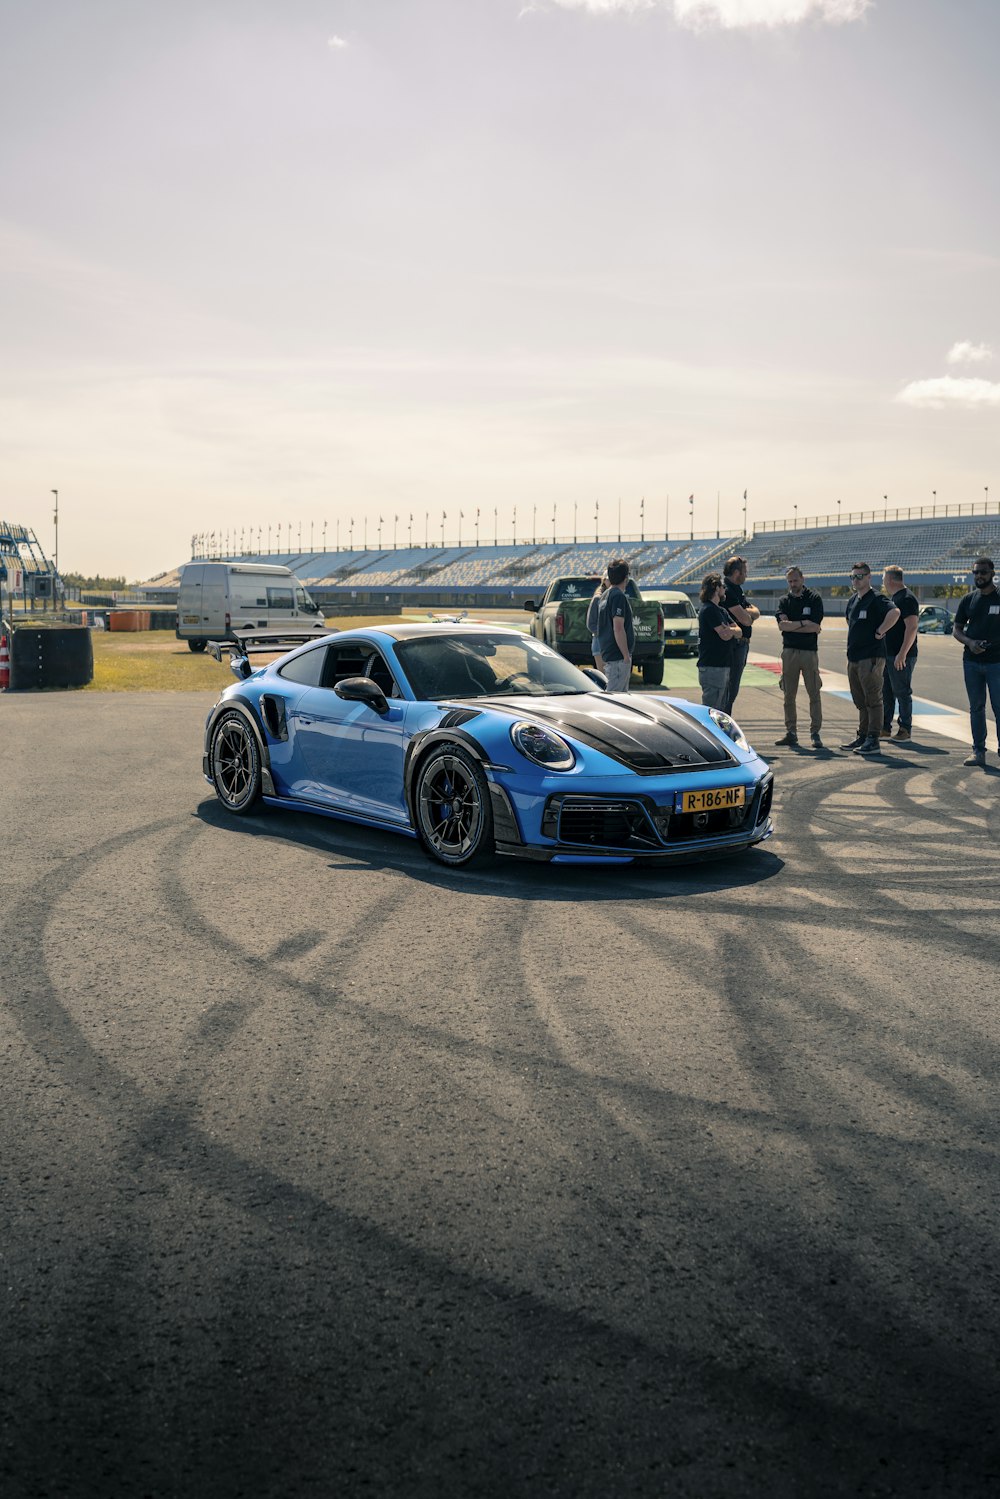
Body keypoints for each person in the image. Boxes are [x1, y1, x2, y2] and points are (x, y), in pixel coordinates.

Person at [842, 562, 899, 755]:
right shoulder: (852, 600)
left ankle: (873, 739)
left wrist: (880, 631)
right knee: (860, 699)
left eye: (859, 576)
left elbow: (895, 612)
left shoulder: (876, 598)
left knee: (873, 699)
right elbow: (851, 623)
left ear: (869, 577)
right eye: (853, 577)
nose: (855, 580)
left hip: (871, 658)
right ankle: (863, 735)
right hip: (854, 658)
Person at [952, 556, 1000, 768]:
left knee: (999, 708)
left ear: (992, 573)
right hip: (971, 661)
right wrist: (970, 643)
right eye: (976, 572)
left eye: (983, 572)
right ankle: (978, 751)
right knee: (976, 707)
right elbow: (957, 629)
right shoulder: (968, 599)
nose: (979, 576)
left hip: (997, 663)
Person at [774, 566, 824, 748]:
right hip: (789, 653)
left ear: (802, 579)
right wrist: (803, 622)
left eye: (795, 580)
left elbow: (816, 626)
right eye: (790, 581)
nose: (793, 584)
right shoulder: (784, 601)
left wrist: (793, 625)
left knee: (814, 693)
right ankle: (791, 732)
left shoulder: (814, 599)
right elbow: (783, 626)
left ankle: (815, 733)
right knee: (789, 694)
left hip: (809, 652)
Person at [880, 566, 920, 742]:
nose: (882, 582)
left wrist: (902, 653)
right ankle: (885, 728)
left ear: (890, 580)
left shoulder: (907, 598)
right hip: (890, 654)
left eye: (883, 578)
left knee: (902, 691)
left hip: (901, 655)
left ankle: (905, 729)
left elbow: (912, 627)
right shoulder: (896, 598)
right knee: (887, 692)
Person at [697, 572, 742, 709]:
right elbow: (724, 635)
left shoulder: (721, 611)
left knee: (720, 709)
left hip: (722, 667)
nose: (725, 589)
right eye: (723, 586)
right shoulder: (709, 610)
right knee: (712, 711)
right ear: (716, 588)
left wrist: (731, 630)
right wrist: (731, 631)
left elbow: (739, 632)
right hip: (713, 667)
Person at [722, 555, 760, 713]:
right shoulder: (728, 590)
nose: (746, 575)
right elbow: (746, 620)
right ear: (737, 572)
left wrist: (747, 612)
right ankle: (723, 725)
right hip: (734, 645)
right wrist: (747, 614)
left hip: (741, 644)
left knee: (732, 689)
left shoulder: (737, 589)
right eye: (745, 571)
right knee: (729, 689)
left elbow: (755, 612)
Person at [596, 558, 634, 693]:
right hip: (618, 656)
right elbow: (618, 628)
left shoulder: (605, 595)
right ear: (626, 577)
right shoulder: (618, 596)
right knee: (616, 698)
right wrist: (626, 656)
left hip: (609, 653)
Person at [586, 576, 609, 673]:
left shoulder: (617, 597)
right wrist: (605, 633)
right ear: (604, 581)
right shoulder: (597, 599)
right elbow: (591, 624)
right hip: (600, 642)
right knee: (604, 675)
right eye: (609, 579)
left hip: (613, 643)